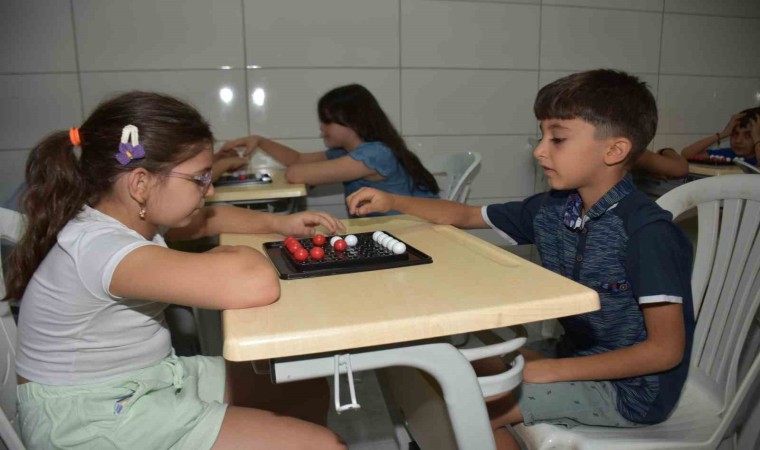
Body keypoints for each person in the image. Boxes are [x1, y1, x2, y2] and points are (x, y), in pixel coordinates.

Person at [346, 70, 695, 450]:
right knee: (453, 361)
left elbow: (665, 351)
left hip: (632, 392)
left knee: (468, 410)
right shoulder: (554, 209)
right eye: (541, 136)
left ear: (614, 151)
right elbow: (466, 215)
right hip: (574, 356)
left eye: (557, 138)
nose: (539, 150)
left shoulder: (647, 233)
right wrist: (394, 201)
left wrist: (552, 370)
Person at [3, 91, 347, 450]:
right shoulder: (105, 248)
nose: (209, 190)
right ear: (140, 184)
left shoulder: (120, 220)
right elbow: (255, 283)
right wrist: (226, 255)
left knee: (303, 385)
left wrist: (280, 223)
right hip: (91, 419)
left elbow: (206, 221)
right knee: (326, 445)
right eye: (199, 179)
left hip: (142, 380)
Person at [220, 84, 440, 216]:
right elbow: (297, 159)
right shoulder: (348, 152)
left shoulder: (374, 154)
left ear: (352, 122)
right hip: (393, 229)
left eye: (326, 121)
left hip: (412, 230)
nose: (321, 128)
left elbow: (295, 173)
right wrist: (259, 141)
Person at [680, 107, 760, 166]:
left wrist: (757, 140)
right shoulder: (727, 155)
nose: (738, 141)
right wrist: (723, 134)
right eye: (735, 133)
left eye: (748, 135)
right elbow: (686, 154)